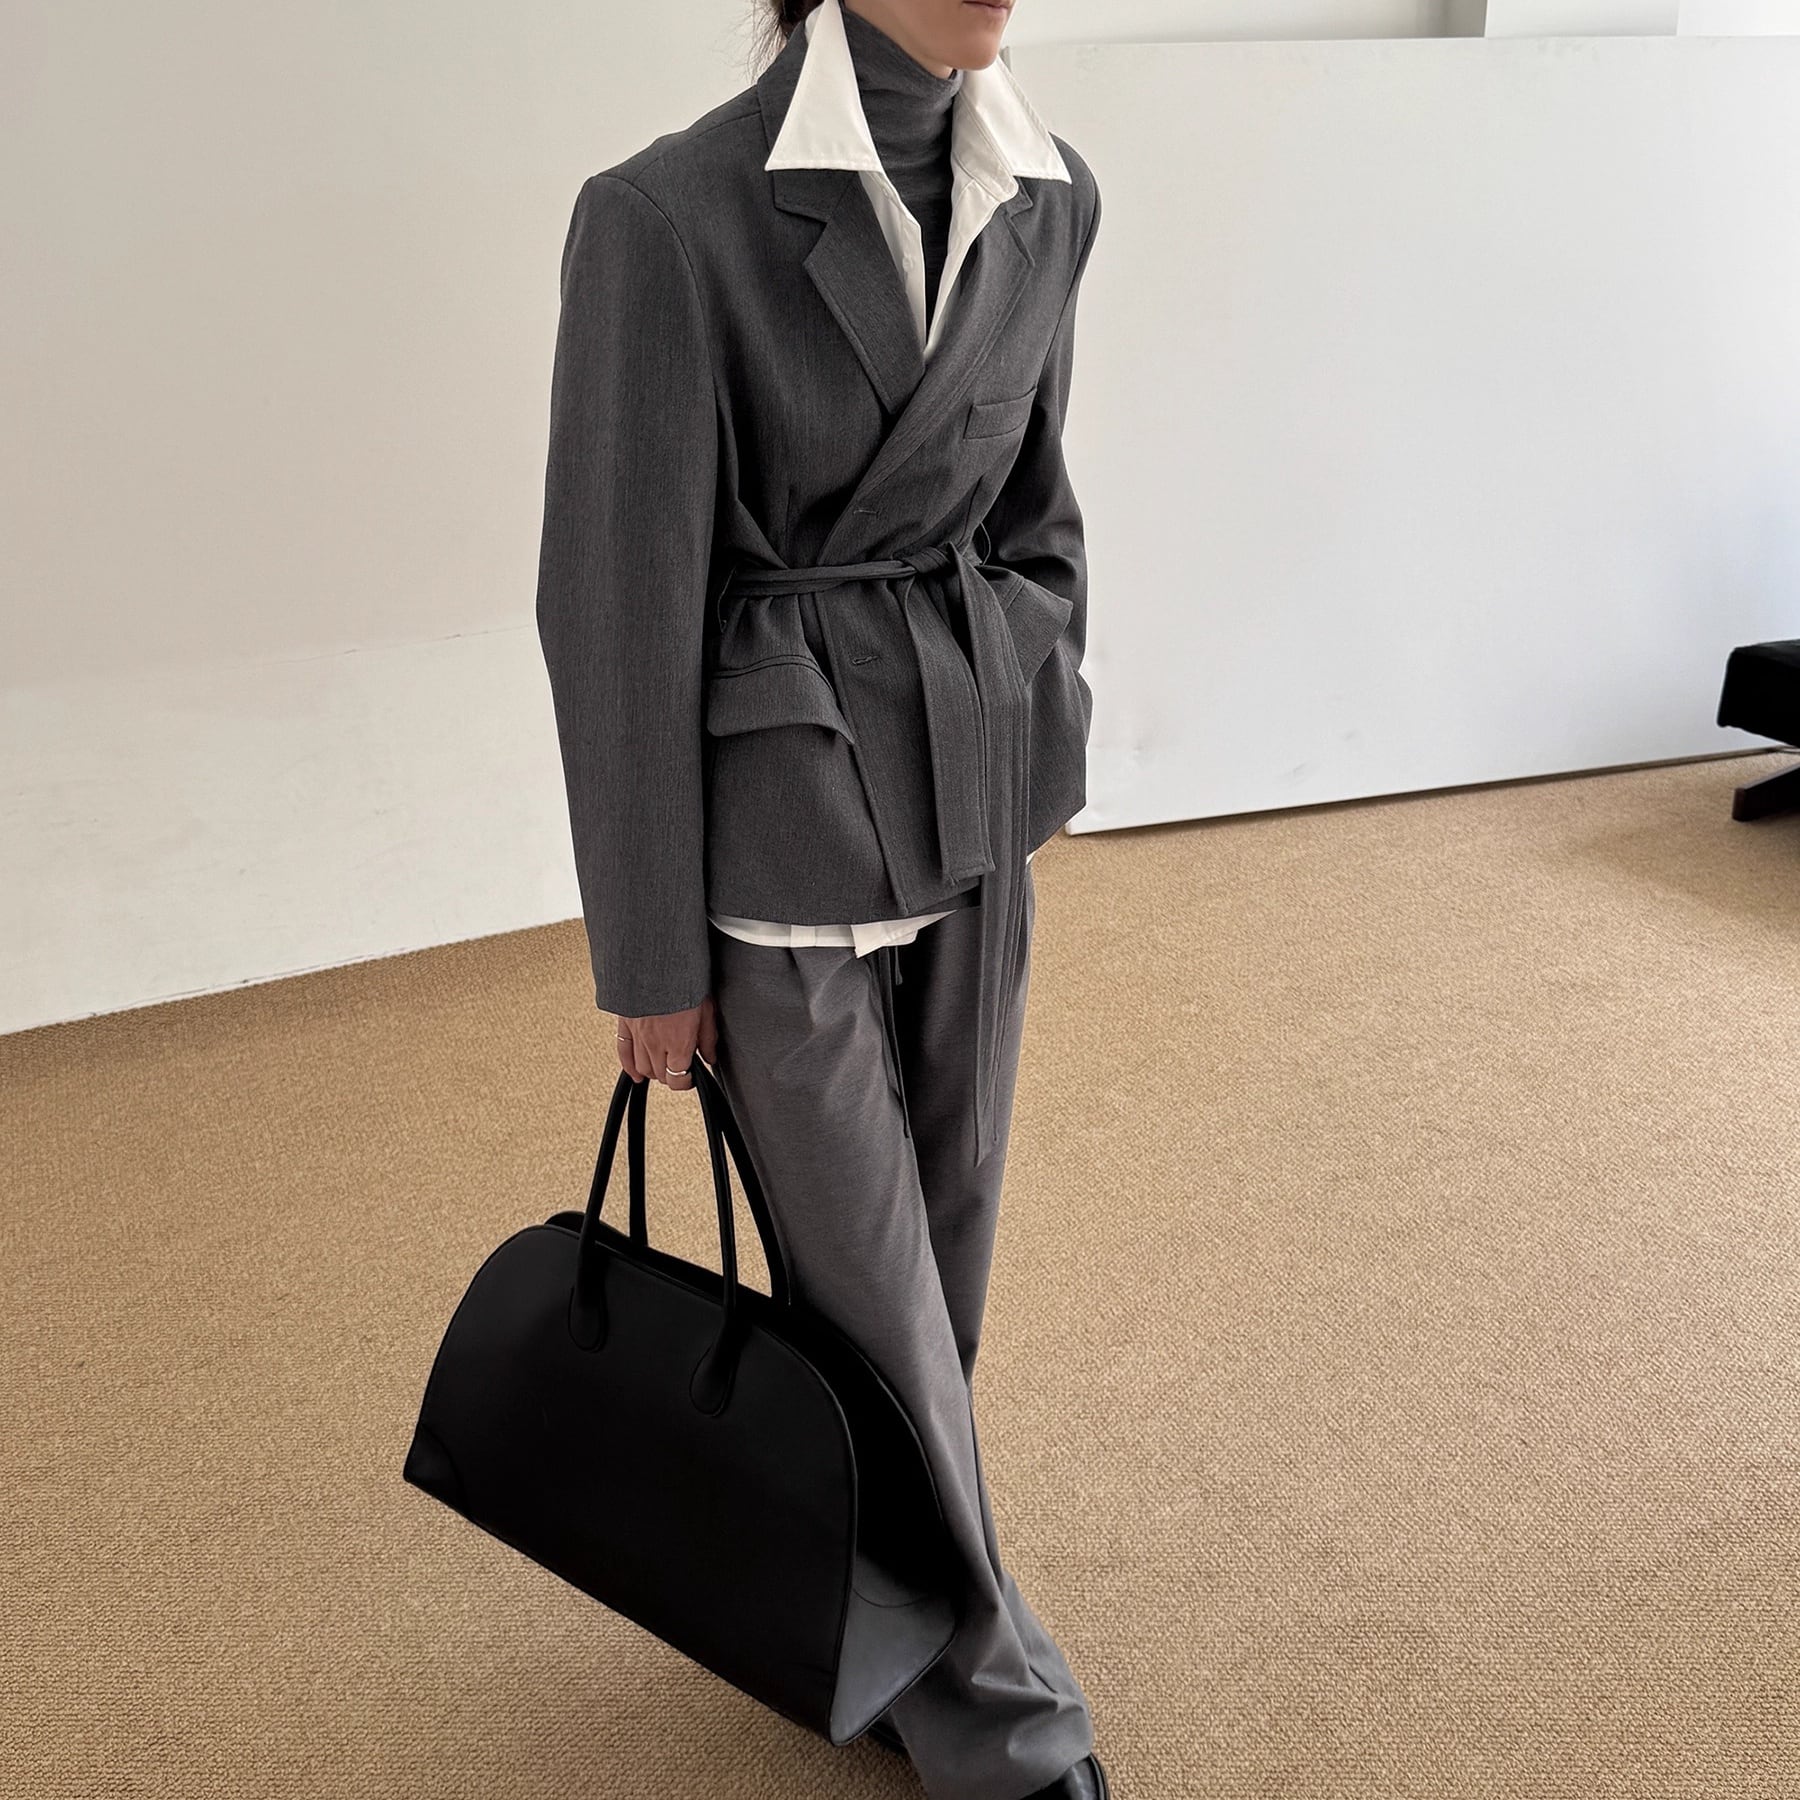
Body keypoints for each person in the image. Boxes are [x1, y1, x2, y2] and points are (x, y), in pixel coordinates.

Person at [533, 1, 1105, 1794]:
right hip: (782, 829)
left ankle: (871, 1595)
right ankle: (1003, 1710)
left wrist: (1036, 677)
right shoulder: (667, 217)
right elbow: (611, 604)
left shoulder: (1055, 194)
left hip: (974, 796)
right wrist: (647, 947)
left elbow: (1036, 507)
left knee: (943, 1262)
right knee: (872, 1294)